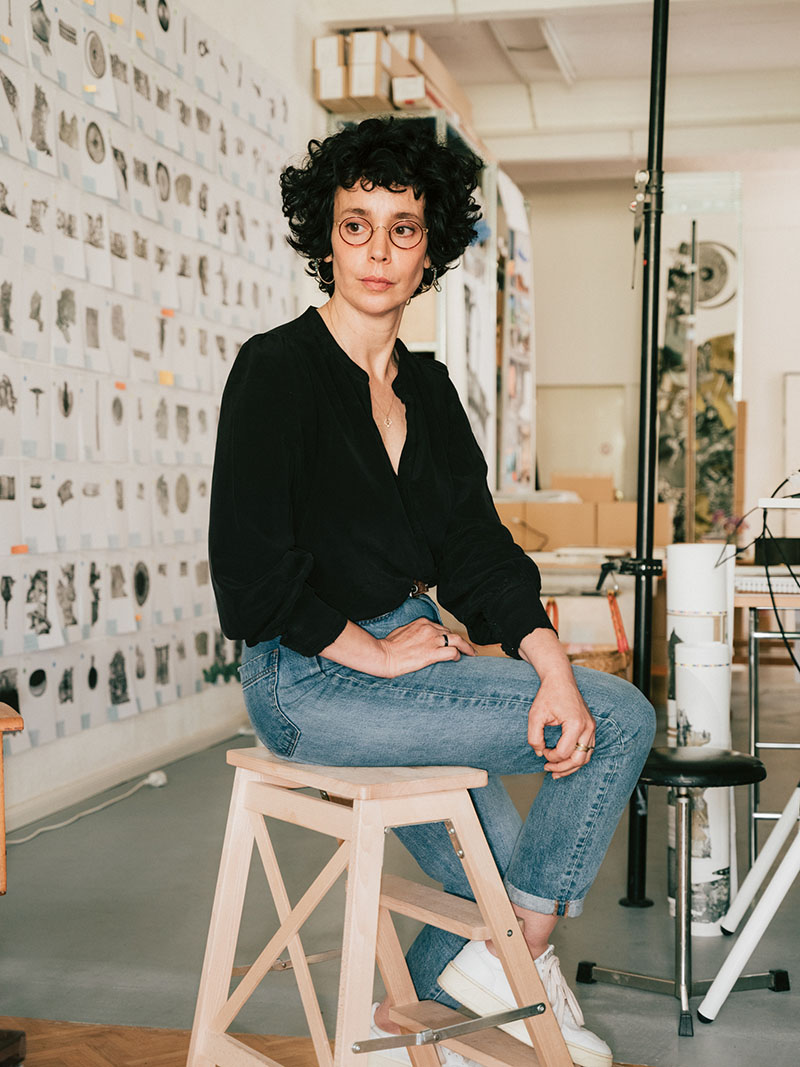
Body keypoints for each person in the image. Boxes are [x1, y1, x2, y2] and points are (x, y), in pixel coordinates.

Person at [208, 117, 656, 1067]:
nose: (377, 250)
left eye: (402, 228)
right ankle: (519, 969)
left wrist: (551, 665)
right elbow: (249, 575)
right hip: (307, 677)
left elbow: (477, 552)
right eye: (356, 223)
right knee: (622, 723)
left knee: (504, 848)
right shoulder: (275, 371)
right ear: (324, 236)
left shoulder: (434, 390)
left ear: (431, 247)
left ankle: (415, 1020)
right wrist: (371, 649)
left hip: (413, 659)